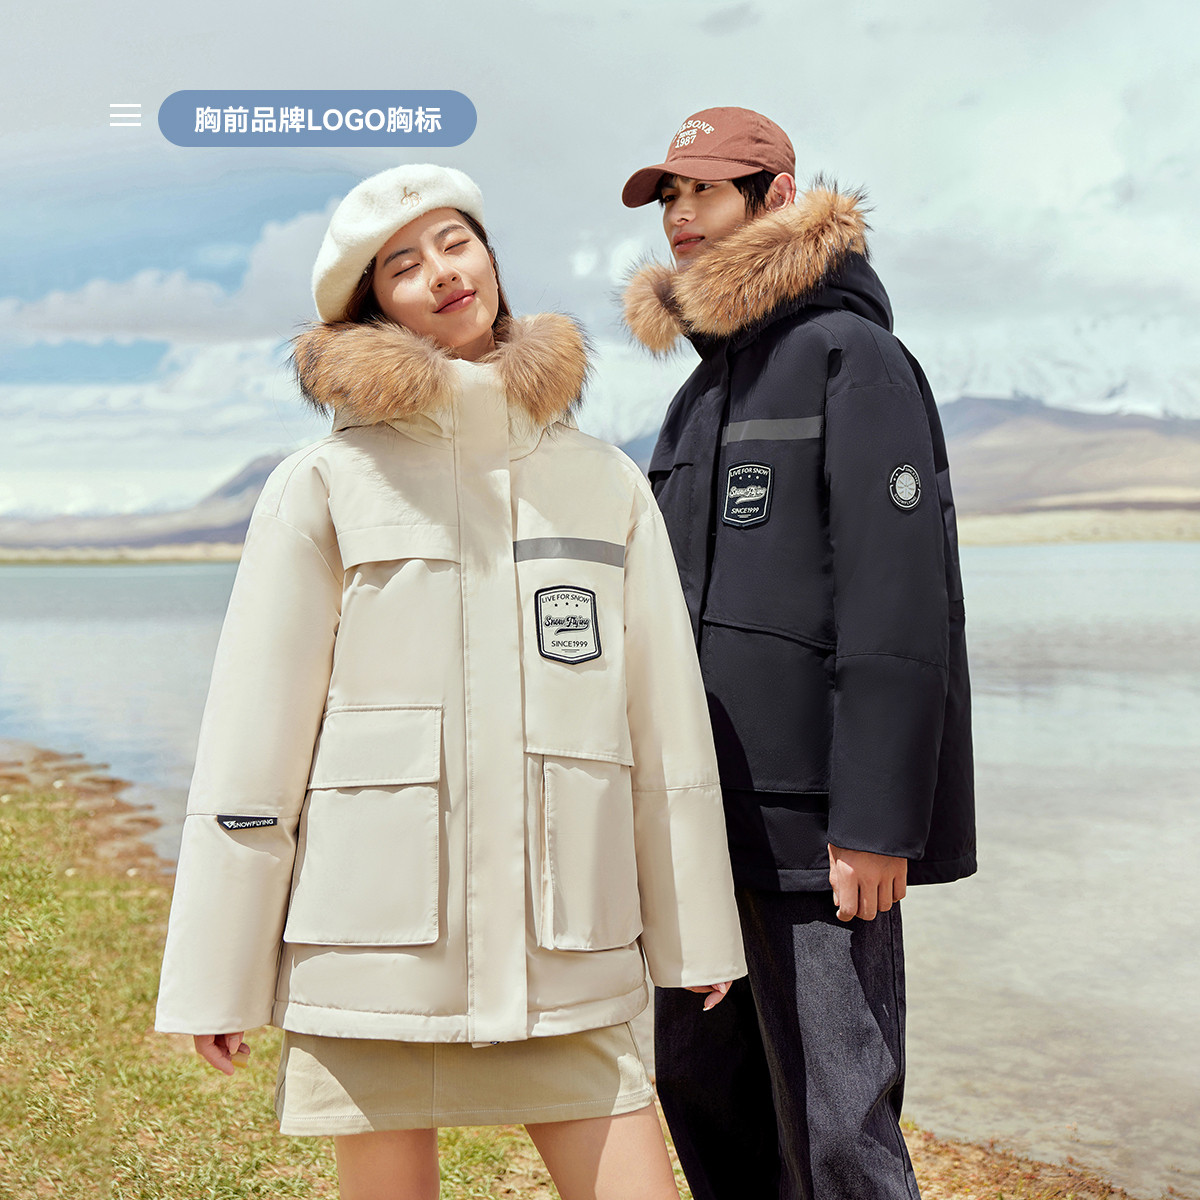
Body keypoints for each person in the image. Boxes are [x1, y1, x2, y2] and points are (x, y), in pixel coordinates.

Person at [156, 162, 746, 1200]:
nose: (440, 272)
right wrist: (217, 970)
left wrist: (695, 925)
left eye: (455, 242)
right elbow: (256, 734)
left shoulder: (603, 480)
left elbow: (663, 722)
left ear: (491, 258)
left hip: (568, 947)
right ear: (372, 307)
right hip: (372, 954)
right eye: (401, 265)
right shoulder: (324, 485)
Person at [619, 108, 976, 1200]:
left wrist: (877, 821)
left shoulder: (854, 360)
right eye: (668, 196)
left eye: (704, 190)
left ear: (775, 195)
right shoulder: (696, 395)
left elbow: (897, 600)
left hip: (819, 838)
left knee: (837, 1125)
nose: (680, 216)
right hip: (698, 826)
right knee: (704, 1093)